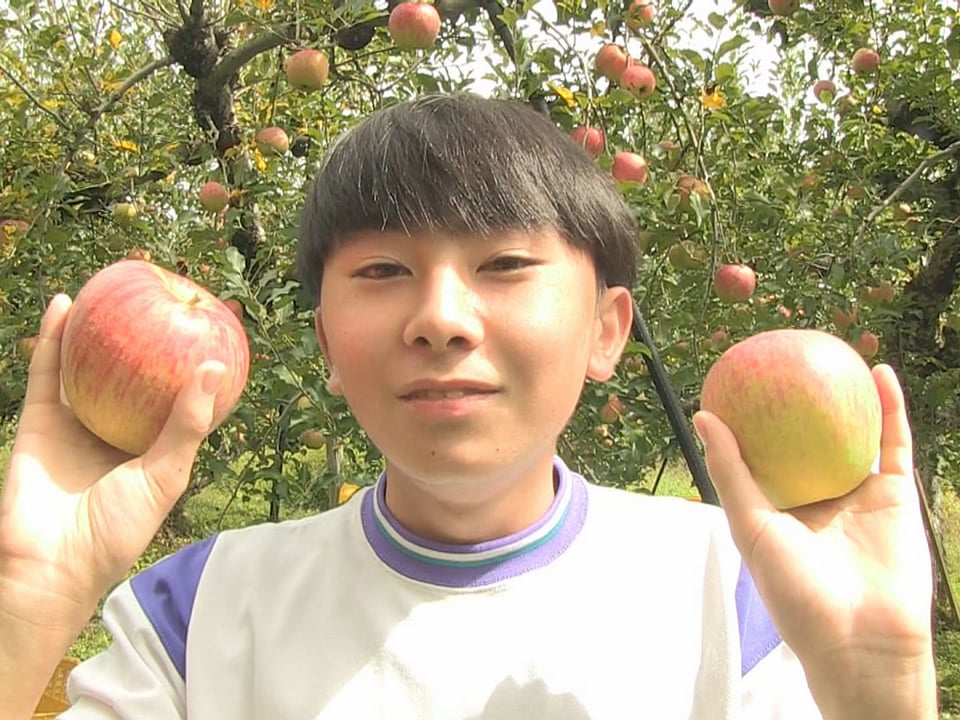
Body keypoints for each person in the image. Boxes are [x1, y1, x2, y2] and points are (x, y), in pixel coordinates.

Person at [0, 93, 936, 719]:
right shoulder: (193, 618)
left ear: (609, 331)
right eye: (381, 271)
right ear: (325, 345)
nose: (441, 318)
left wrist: (879, 688)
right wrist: (25, 607)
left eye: (505, 264)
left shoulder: (745, 597)